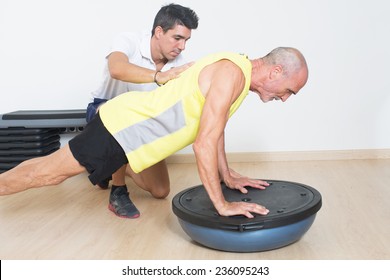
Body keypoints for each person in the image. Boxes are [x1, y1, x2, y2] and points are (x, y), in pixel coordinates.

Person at [0, 47, 309, 220]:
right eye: (289, 91)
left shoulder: (237, 69)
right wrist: (222, 205)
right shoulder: (231, 74)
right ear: (276, 72)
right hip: (121, 129)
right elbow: (204, 143)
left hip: (134, 135)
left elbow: (216, 128)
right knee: (46, 175)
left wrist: (227, 174)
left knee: (47, 169)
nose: (284, 98)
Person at [86, 3, 199, 218]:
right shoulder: (128, 40)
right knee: (122, 114)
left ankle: (111, 166)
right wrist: (158, 76)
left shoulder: (179, 64)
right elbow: (117, 69)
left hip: (140, 124)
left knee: (160, 191)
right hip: (103, 112)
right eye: (177, 38)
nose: (182, 46)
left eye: (186, 40)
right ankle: (118, 190)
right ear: (158, 32)